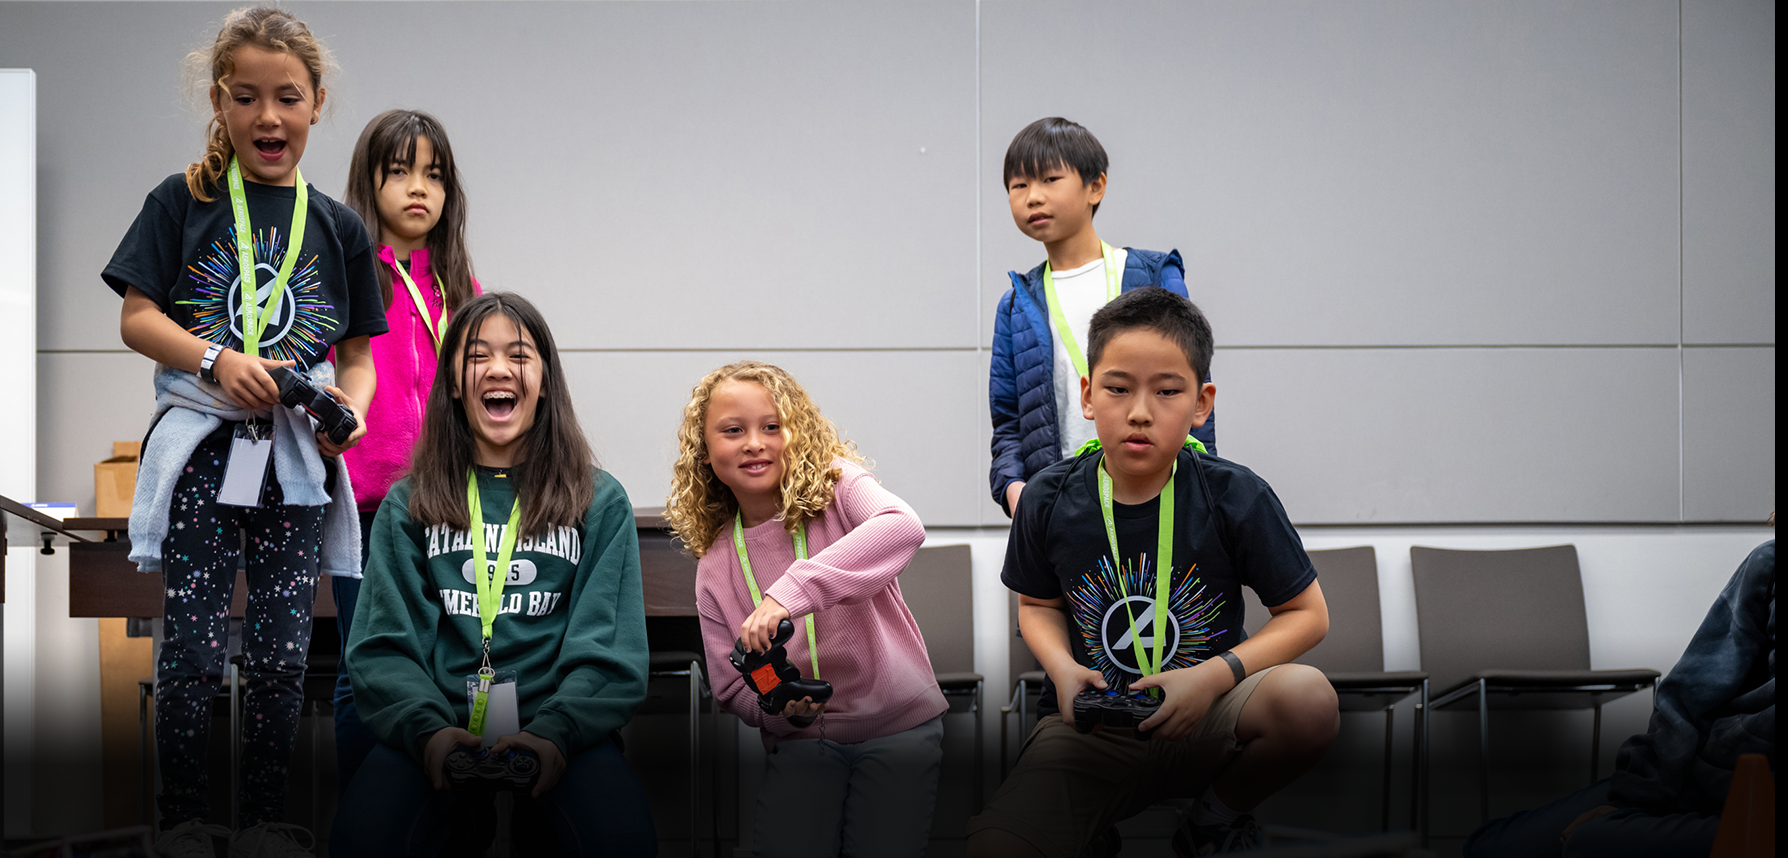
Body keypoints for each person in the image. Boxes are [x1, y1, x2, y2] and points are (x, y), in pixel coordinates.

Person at [100, 7, 382, 857]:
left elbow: (358, 355)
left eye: (288, 98)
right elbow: (136, 319)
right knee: (189, 646)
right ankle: (182, 820)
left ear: (317, 104)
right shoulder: (180, 201)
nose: (269, 117)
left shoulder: (338, 225)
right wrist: (216, 360)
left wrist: (352, 414)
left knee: (283, 655)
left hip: (295, 459)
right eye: (249, 98)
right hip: (204, 449)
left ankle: (264, 822)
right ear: (221, 102)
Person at [966, 288, 1339, 857]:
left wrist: (1213, 678)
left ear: (1201, 403)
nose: (1140, 411)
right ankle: (1093, 828)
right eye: (1118, 388)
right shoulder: (1047, 496)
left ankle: (1214, 820)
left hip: (1210, 713)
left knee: (1307, 699)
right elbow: (1037, 607)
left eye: (1167, 392)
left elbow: (1308, 616)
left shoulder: (1234, 494)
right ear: (1088, 396)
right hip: (1093, 729)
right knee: (995, 846)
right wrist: (1064, 671)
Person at [332, 293, 657, 857]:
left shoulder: (598, 500)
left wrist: (552, 734)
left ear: (546, 381)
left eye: (520, 356)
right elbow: (383, 649)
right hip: (435, 732)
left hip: (560, 734)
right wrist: (430, 734)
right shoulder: (409, 501)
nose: (500, 369)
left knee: (621, 842)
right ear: (454, 381)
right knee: (364, 840)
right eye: (478, 355)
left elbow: (609, 654)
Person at [667, 361, 951, 858]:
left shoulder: (839, 486)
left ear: (797, 433)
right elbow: (733, 686)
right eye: (733, 431)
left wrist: (789, 592)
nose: (755, 442)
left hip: (898, 727)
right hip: (803, 740)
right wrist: (778, 707)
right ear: (705, 453)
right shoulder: (715, 564)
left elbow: (903, 526)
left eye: (772, 427)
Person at [332, 108, 483, 796]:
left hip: (452, 505)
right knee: (367, 665)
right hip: (366, 506)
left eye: (434, 174)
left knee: (447, 663)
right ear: (371, 181)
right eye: (399, 172)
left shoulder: (461, 286)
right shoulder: (342, 274)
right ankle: (372, 814)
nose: (418, 188)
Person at [1463, 538, 1776, 858]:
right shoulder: (1769, 560)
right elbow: (1686, 697)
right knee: (1490, 849)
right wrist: (1637, 795)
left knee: (1589, 844)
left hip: (1755, 809)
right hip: (1688, 784)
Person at [990, 116, 1215, 520]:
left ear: (1096, 186)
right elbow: (1007, 420)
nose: (1033, 197)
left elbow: (1190, 388)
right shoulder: (1015, 305)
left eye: (1050, 180)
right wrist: (1016, 490)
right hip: (1061, 504)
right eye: (1019, 186)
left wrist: (1203, 487)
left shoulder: (1152, 274)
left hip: (1156, 496)